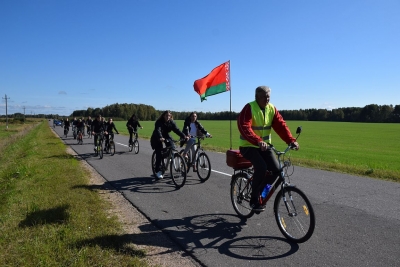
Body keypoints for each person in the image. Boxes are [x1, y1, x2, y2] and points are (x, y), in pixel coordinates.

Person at [237, 86, 299, 212]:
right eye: (264, 96)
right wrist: (257, 140)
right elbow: (244, 126)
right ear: (257, 97)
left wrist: (291, 140)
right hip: (248, 146)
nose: (267, 99)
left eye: (269, 96)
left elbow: (281, 125)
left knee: (276, 170)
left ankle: (261, 193)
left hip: (264, 147)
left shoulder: (271, 109)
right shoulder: (249, 107)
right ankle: (254, 199)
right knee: (261, 167)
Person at [150, 110, 188, 179]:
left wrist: (184, 136)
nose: (168, 117)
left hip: (166, 136)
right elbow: (158, 130)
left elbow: (177, 130)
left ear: (171, 116)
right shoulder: (159, 122)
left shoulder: (171, 122)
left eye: (169, 116)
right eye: (166, 116)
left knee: (172, 147)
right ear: (163, 116)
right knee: (159, 153)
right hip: (157, 137)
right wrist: (160, 137)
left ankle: (168, 156)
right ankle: (158, 171)